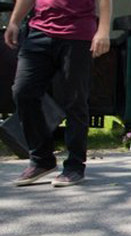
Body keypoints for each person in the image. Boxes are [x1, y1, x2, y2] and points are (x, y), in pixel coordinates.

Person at [5, 0, 112, 187]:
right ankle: (41, 160)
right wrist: (14, 21)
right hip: (38, 32)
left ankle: (74, 166)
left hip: (77, 34)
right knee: (23, 92)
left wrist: (103, 31)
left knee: (75, 101)